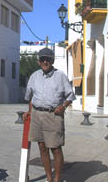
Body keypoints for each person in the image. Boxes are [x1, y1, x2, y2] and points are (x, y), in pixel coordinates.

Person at [23, 48, 76, 182]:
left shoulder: (60, 76)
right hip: (37, 115)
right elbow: (30, 97)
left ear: (52, 61)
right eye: (42, 59)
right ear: (38, 61)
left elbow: (70, 96)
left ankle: (57, 179)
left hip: (53, 116)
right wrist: (29, 111)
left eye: (48, 59)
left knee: (56, 148)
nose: (45, 61)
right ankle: (49, 178)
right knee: (42, 147)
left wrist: (63, 107)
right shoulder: (34, 76)